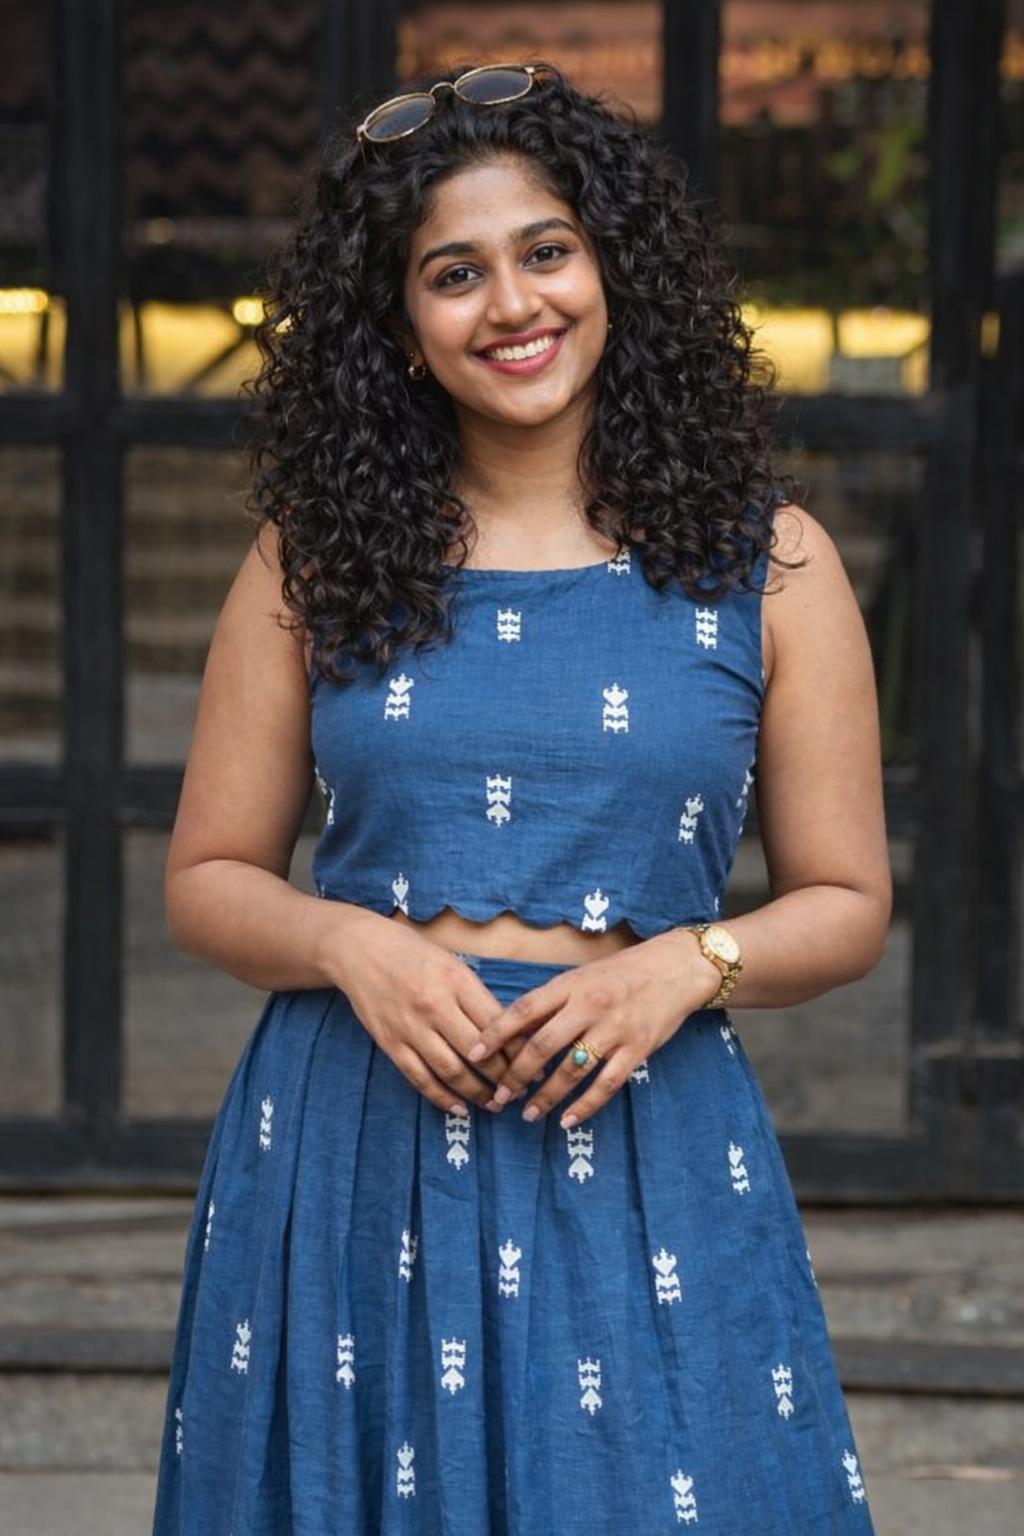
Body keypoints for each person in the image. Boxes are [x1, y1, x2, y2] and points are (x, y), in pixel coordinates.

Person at [150, 59, 890, 1534]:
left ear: (612, 265)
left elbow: (851, 901)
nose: (513, 305)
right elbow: (208, 876)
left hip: (639, 1137)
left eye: (547, 250)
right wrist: (349, 942)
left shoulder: (773, 565)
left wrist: (692, 964)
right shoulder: (314, 559)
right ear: (397, 323)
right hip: (354, 1142)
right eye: (453, 273)